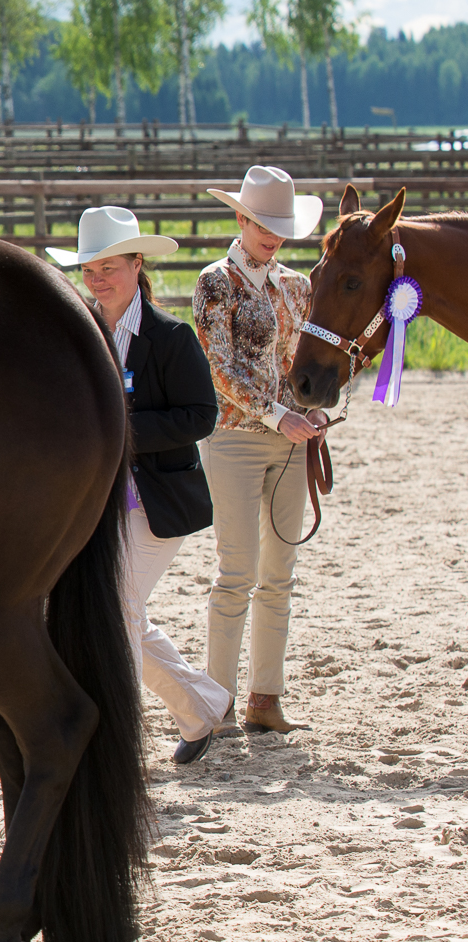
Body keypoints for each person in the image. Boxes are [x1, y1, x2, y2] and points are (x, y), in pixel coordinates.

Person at [53, 207, 232, 764]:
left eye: (109, 266)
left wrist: (120, 431)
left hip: (156, 503)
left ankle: (107, 739)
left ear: (137, 264)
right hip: (94, 503)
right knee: (126, 614)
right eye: (89, 269)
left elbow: (202, 415)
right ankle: (203, 708)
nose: (98, 278)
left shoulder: (172, 337)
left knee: (113, 610)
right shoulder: (77, 334)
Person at [194, 165, 328, 735]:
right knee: (236, 571)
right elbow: (217, 367)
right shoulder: (215, 282)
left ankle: (265, 698)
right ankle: (216, 701)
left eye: (280, 226)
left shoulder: (297, 287)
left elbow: (300, 368)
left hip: (292, 441)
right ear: (242, 218)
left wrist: (314, 409)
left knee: (280, 572)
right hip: (233, 440)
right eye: (263, 224)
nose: (273, 236)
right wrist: (279, 414)